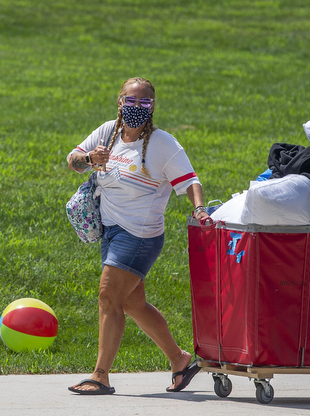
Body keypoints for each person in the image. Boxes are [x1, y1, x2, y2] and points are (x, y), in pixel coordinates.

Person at [65, 77, 207, 395]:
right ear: (119, 102)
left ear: (152, 107)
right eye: (131, 100)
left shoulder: (163, 144)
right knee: (133, 304)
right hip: (111, 233)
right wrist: (89, 160)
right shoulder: (107, 133)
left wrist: (199, 210)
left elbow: (191, 181)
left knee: (108, 297)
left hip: (140, 236)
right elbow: (71, 161)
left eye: (144, 102)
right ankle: (180, 359)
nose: (137, 108)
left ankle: (100, 375)